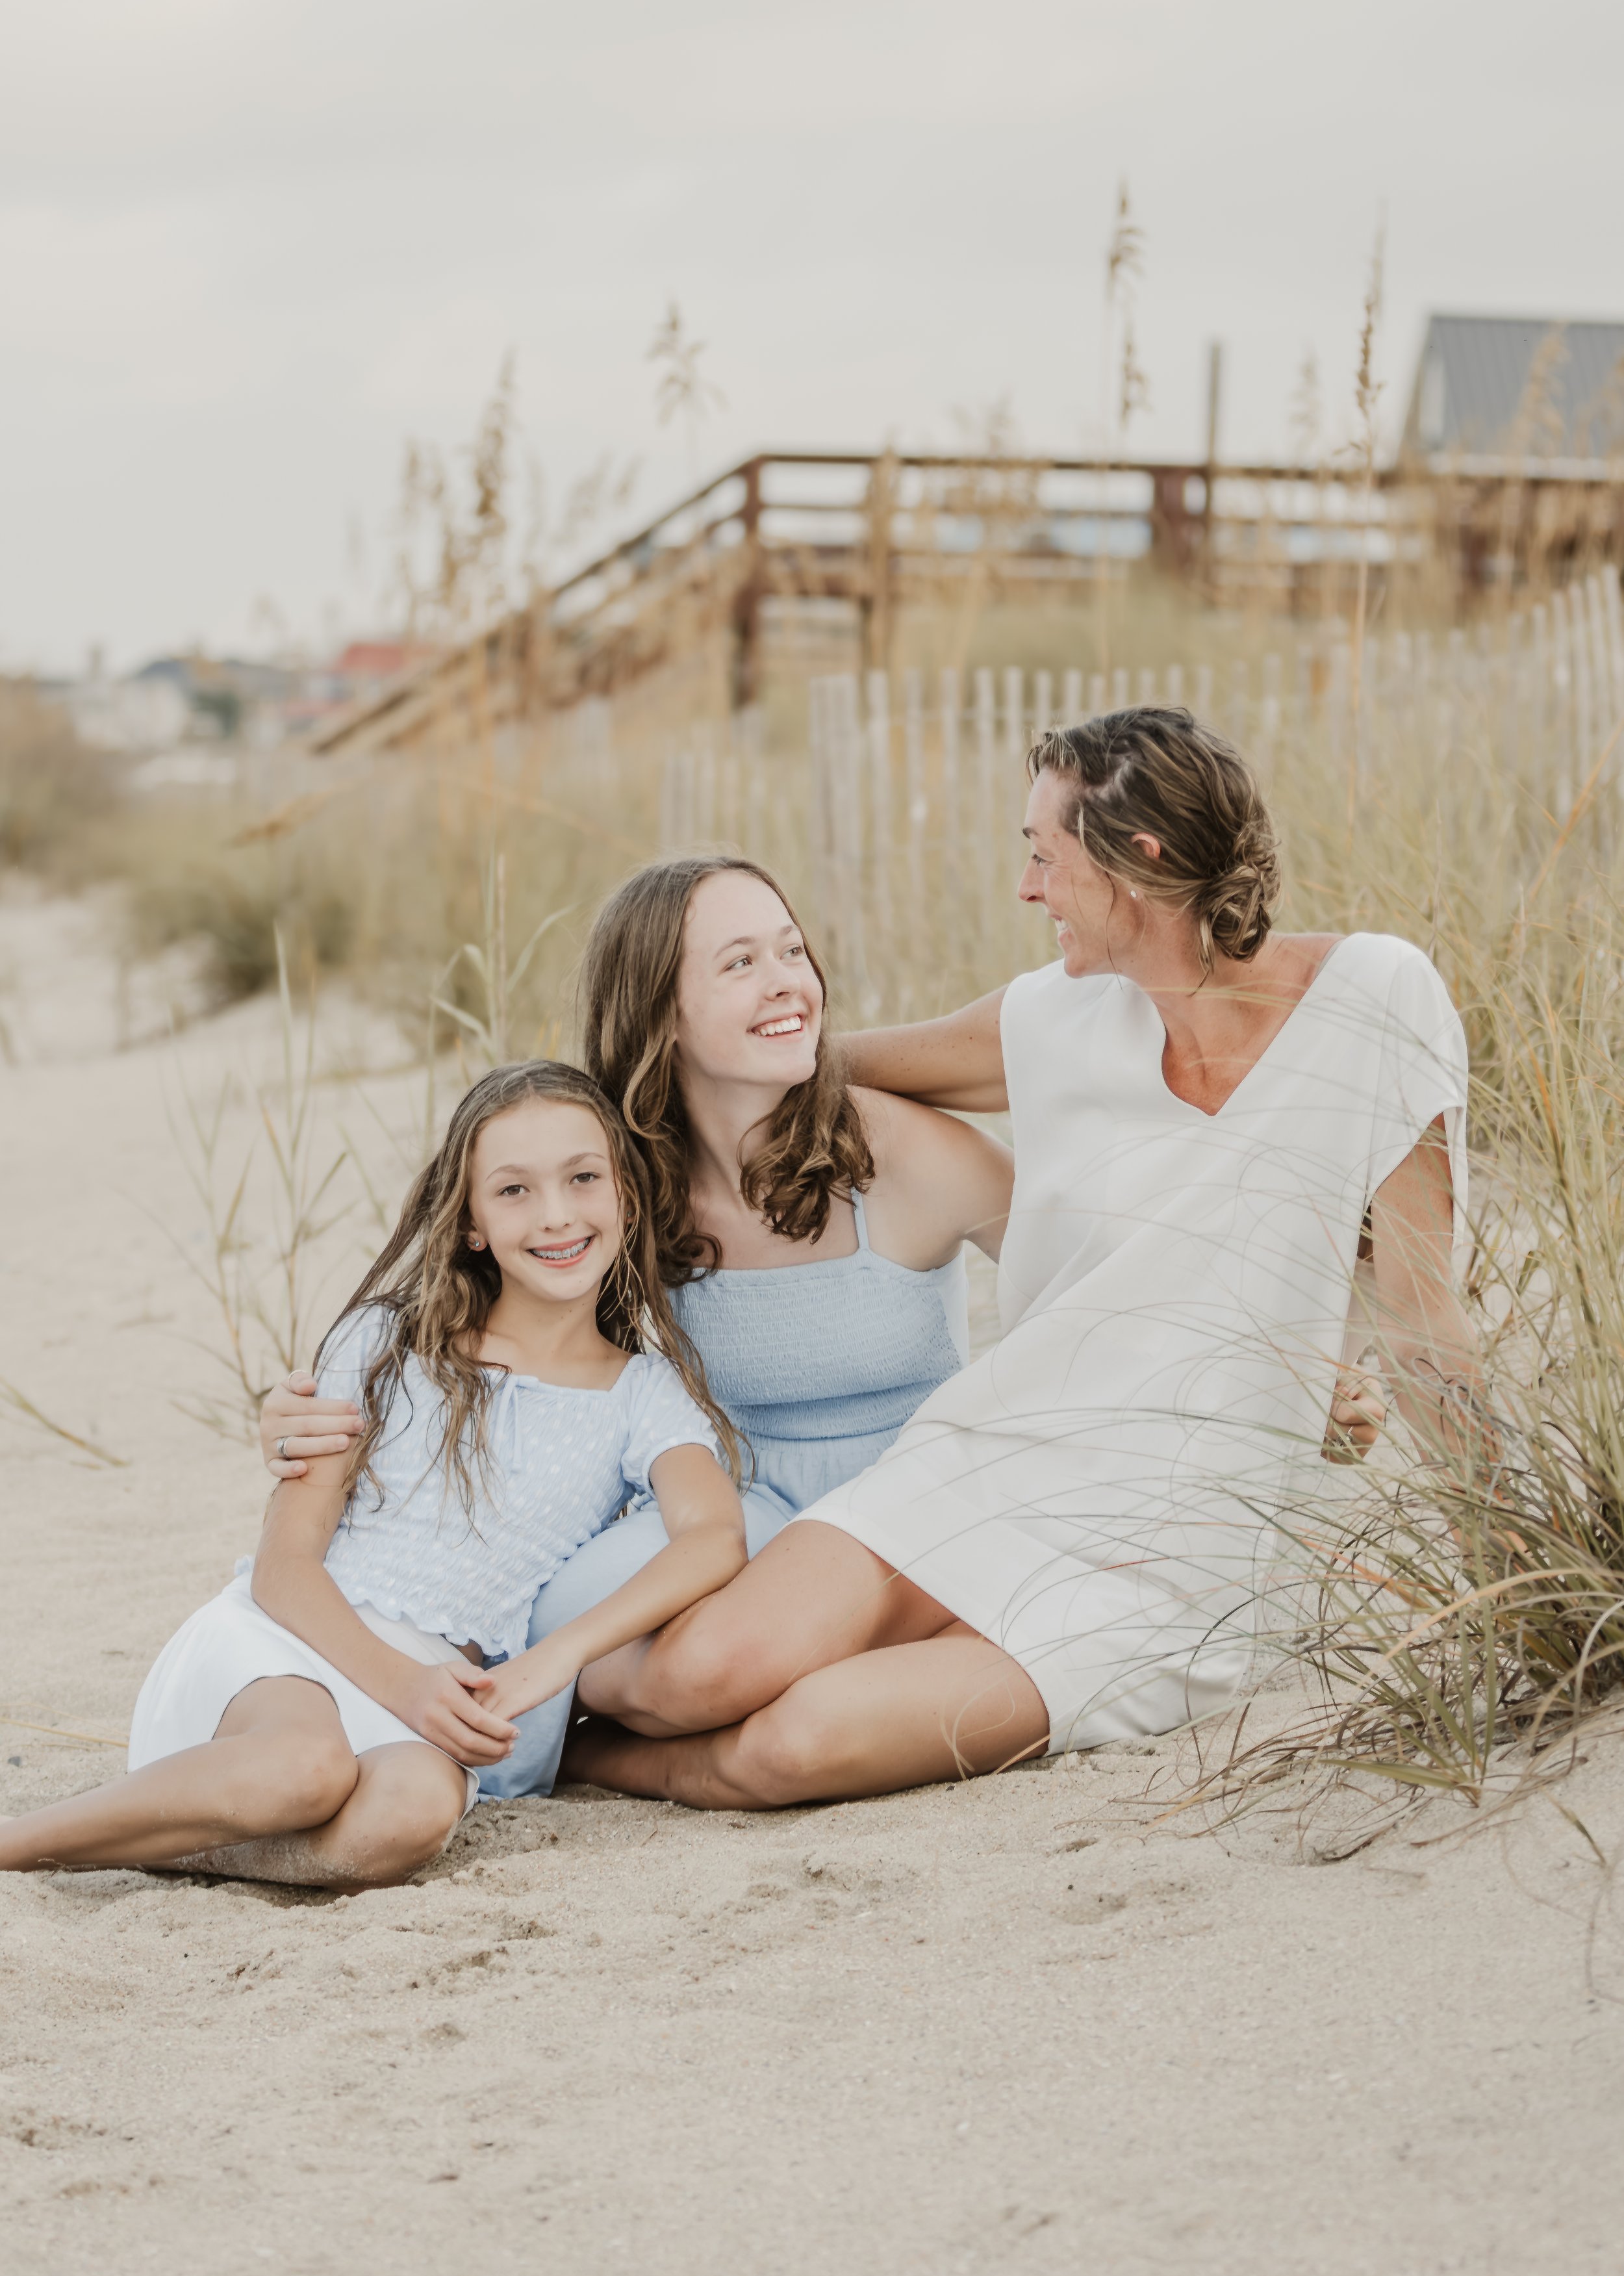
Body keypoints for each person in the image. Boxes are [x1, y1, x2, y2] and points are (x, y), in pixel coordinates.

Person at [562, 706, 1479, 1809]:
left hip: (1181, 1554)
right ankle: (544, 1752)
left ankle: (593, 1767)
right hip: (998, 1460)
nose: (1028, 888)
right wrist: (660, 1065)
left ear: (1134, 861)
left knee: (791, 1746)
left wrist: (1516, 1572)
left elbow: (1428, 1329)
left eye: (1043, 854)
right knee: (709, 1670)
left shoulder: (1377, 1001)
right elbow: (822, 1061)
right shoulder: (1057, 1016)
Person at [260, 855, 1017, 1793]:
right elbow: (474, 1302)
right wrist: (315, 1404)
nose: (786, 978)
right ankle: (591, 1744)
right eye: (739, 962)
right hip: (744, 1496)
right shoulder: (624, 1178)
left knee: (715, 1671)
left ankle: (614, 1758)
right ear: (662, 1011)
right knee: (564, 1635)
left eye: (792, 949)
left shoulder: (903, 1150)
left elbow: (1096, 1290)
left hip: (914, 1485)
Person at [0, 1062, 744, 1886]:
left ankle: (185, 1840)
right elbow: (286, 1567)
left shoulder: (641, 1392)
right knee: (304, 1770)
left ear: (624, 1195)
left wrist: (547, 1664)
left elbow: (711, 1537)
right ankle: (21, 1840)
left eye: (582, 1178)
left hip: (431, 1702)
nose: (557, 1215)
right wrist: (405, 1684)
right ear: (469, 1223)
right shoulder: (387, 1345)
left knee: (411, 1816)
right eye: (514, 1191)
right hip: (293, 1644)